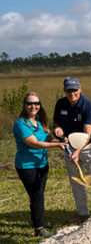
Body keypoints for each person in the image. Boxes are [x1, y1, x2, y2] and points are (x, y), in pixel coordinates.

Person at [53, 76, 91, 223]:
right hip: (70, 146)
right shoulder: (61, 104)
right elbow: (56, 122)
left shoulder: (89, 106)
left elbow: (87, 134)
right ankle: (83, 213)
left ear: (80, 89)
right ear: (64, 91)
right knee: (76, 181)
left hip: (88, 146)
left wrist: (77, 152)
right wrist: (57, 130)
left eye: (74, 90)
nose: (72, 93)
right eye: (69, 90)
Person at [14, 92, 66, 238]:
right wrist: (56, 146)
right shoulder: (20, 124)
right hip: (27, 165)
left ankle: (38, 220)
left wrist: (61, 141)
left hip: (42, 164)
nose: (33, 106)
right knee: (36, 194)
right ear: (24, 105)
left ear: (40, 105)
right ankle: (39, 228)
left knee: (38, 194)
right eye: (30, 103)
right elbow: (35, 144)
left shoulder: (39, 121)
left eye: (36, 103)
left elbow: (48, 138)